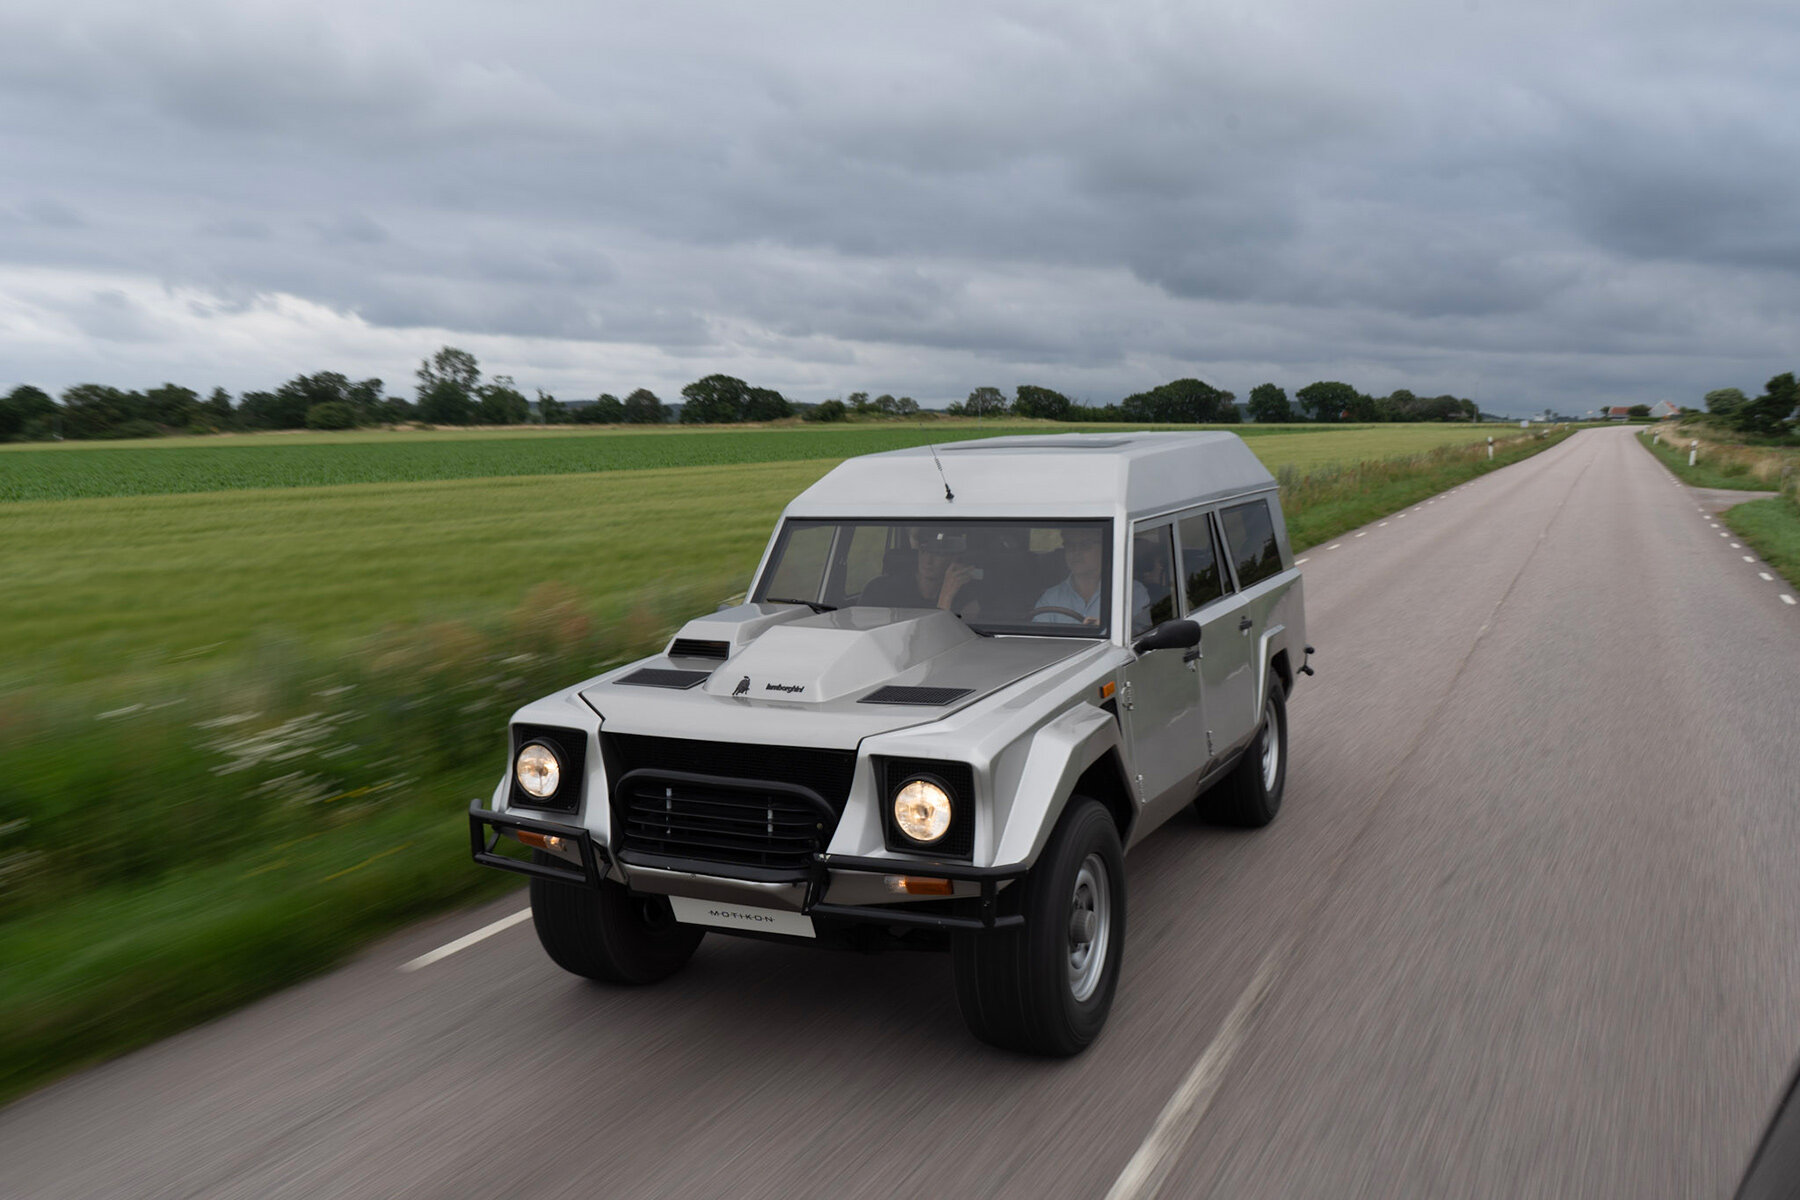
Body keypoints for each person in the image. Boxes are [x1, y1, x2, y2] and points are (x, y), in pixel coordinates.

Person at [1033, 525, 1147, 626]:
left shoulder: (1130, 592)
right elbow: (1040, 640)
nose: (1076, 552)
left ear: (1105, 548)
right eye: (1070, 545)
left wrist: (1107, 628)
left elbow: (1138, 632)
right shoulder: (1050, 598)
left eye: (1085, 545)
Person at [861, 526, 983, 614]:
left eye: (937, 554)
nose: (928, 560)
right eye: (924, 551)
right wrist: (945, 599)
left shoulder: (965, 597)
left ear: (953, 558)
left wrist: (947, 595)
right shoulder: (881, 591)